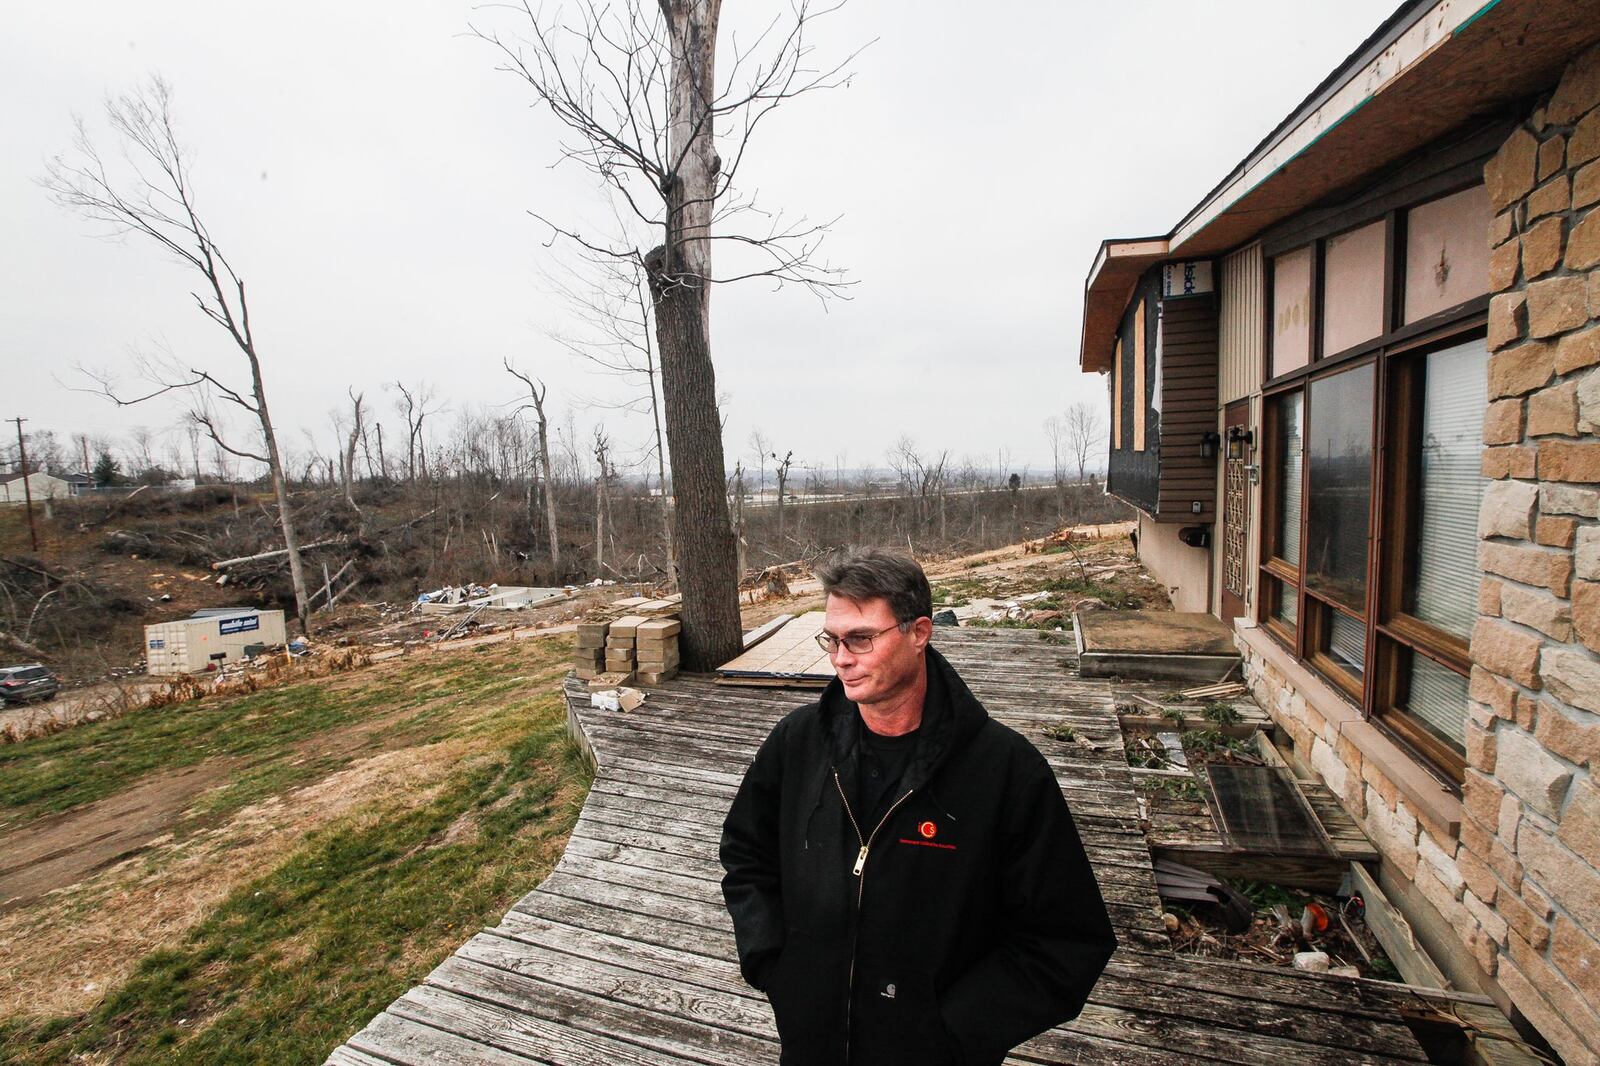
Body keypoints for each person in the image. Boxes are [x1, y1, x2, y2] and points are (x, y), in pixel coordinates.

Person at [720, 546, 1116, 1066]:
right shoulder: (798, 745)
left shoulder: (1007, 773)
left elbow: (1067, 941)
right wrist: (775, 963)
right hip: (811, 1043)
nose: (840, 658)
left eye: (861, 638)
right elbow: (746, 852)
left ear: (919, 633)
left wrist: (952, 1028)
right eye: (832, 639)